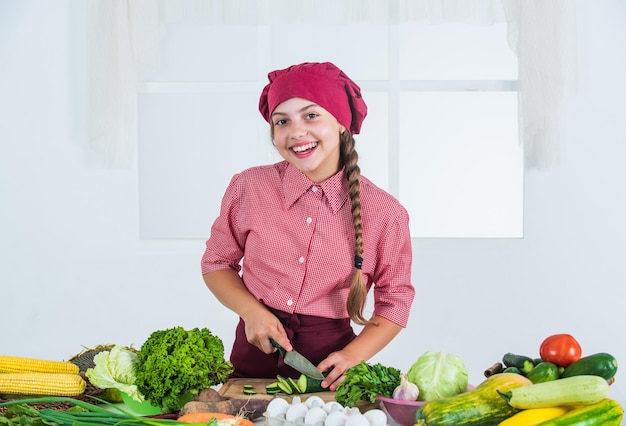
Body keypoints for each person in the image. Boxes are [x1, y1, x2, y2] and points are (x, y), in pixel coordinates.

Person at [201, 62, 414, 391]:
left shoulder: (385, 213)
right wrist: (250, 311)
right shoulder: (249, 187)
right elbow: (217, 263)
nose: (296, 132)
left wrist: (354, 355)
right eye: (282, 121)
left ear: (342, 123)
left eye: (311, 115)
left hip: (330, 371)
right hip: (251, 362)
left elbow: (395, 299)